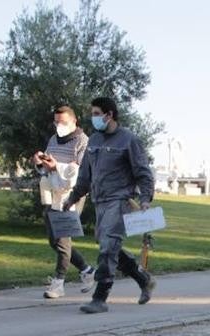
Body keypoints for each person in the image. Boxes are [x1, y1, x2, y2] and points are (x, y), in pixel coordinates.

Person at [63, 97, 155, 314]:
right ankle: (143, 279)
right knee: (108, 245)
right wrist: (73, 198)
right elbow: (85, 175)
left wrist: (145, 199)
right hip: (100, 202)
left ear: (109, 114)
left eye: (96, 113)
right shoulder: (93, 141)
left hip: (120, 201)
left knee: (107, 248)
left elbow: (143, 172)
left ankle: (100, 297)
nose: (93, 117)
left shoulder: (128, 140)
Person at [32, 106, 94, 299]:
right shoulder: (53, 139)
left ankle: (58, 283)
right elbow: (48, 170)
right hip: (52, 194)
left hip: (72, 196)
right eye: (56, 122)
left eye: (63, 122)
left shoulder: (82, 141)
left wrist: (56, 166)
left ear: (74, 122)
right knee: (55, 241)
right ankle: (87, 270)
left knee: (62, 240)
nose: (59, 126)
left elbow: (80, 171)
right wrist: (40, 162)